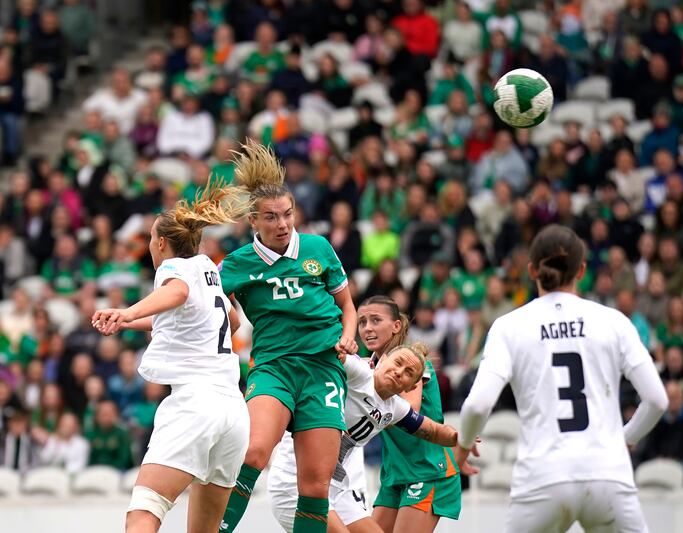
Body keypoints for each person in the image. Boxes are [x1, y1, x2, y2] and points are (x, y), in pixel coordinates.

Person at [456, 225, 668, 532]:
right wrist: (625, 439)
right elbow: (657, 400)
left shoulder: (509, 326)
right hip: (607, 474)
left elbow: (477, 406)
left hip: (542, 476)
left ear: (531, 270)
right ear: (581, 270)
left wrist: (463, 445)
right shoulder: (613, 321)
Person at [92, 178, 251, 533]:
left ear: (161, 243)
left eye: (150, 238)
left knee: (143, 514)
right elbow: (233, 320)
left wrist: (128, 312)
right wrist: (127, 323)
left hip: (195, 403)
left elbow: (176, 294)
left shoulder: (174, 269)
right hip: (233, 411)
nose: (150, 245)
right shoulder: (208, 271)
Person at [218, 141, 358, 533]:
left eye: (287, 215)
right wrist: (228, 317)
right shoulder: (236, 264)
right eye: (271, 217)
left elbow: (348, 306)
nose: (282, 224)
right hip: (273, 368)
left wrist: (349, 336)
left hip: (323, 369)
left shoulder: (318, 248)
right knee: (253, 451)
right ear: (253, 221)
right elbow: (210, 307)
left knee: (314, 485)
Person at [269, 343, 474, 532]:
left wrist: (462, 437)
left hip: (335, 489)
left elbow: (434, 431)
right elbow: (333, 354)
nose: (399, 372)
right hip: (294, 482)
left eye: (408, 373)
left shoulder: (396, 409)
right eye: (398, 363)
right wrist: (343, 344)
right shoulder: (359, 373)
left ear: (411, 387)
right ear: (382, 360)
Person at [352, 295, 466, 533]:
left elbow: (409, 411)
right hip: (395, 473)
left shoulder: (411, 363)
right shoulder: (367, 367)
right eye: (362, 322)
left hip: (427, 471)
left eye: (375, 320)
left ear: (396, 326)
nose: (367, 328)